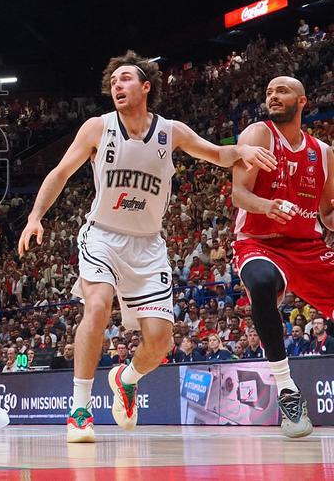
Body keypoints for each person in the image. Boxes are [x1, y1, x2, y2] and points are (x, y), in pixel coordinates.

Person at [17, 51, 275, 444]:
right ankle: (80, 409)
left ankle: (127, 378)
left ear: (146, 86)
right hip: (102, 235)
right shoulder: (97, 127)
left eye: (125, 79)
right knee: (98, 305)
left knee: (159, 341)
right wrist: (35, 216)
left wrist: (240, 150)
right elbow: (60, 172)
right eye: (113, 82)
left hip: (148, 246)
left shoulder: (171, 131)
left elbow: (217, 154)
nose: (117, 86)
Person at [230, 76, 334, 438]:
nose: (273, 96)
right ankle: (287, 389)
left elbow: (328, 214)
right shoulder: (258, 135)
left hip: (308, 247)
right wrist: (267, 206)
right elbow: (238, 194)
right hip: (260, 241)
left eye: (282, 91)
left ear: (302, 101)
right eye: (269, 91)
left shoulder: (322, 152)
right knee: (260, 283)